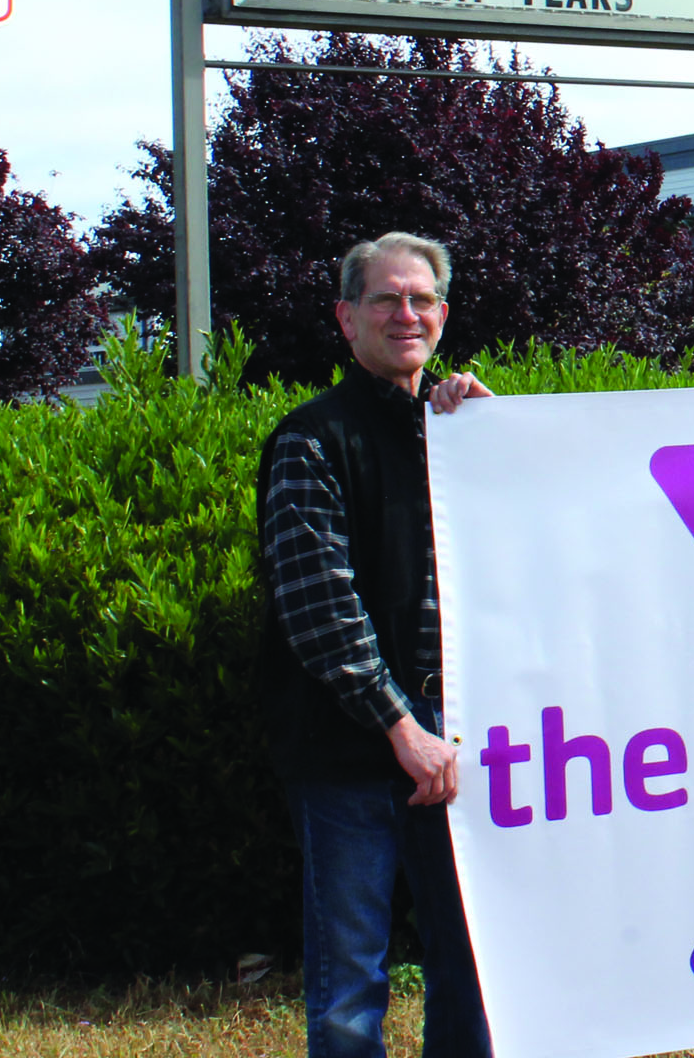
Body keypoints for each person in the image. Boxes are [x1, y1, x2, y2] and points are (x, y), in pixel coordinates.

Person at [257, 233, 494, 1058]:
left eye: (421, 299)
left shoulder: (460, 431)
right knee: (350, 987)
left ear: (443, 316)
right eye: (386, 299)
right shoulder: (311, 440)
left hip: (459, 742)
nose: (406, 314)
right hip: (351, 750)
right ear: (346, 317)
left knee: (474, 967)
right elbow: (318, 603)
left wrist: (497, 434)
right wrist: (402, 727)